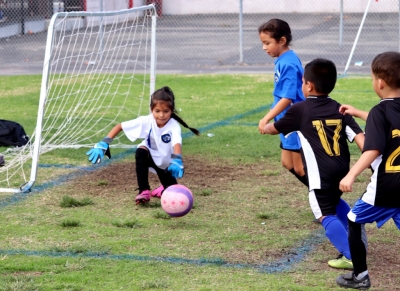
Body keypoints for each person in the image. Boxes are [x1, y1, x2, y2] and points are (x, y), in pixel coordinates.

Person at [263, 58, 365, 269]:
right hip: (341, 169)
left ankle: (350, 256)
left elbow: (275, 129)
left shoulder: (300, 110)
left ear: (308, 85)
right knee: (334, 201)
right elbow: (360, 139)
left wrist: (264, 125)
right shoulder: (339, 108)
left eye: (302, 82)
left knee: (323, 213)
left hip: (321, 173)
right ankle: (357, 238)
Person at [335, 51, 400, 290]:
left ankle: (360, 276)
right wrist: (358, 112)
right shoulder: (380, 113)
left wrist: (351, 174)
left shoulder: (379, 111)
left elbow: (372, 149)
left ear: (380, 83)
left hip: (385, 187)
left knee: (353, 219)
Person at [86, 86, 200, 204]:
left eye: (166, 111)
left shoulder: (173, 126)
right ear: (151, 109)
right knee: (141, 151)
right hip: (149, 156)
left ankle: (163, 188)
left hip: (165, 163)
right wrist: (104, 143)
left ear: (171, 111)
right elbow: (120, 126)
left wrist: (177, 159)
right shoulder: (146, 120)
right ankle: (143, 190)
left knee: (175, 193)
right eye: (157, 111)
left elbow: (177, 142)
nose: (161, 115)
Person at [258, 19, 307, 187]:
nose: (264, 47)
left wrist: (266, 118)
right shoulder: (283, 60)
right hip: (285, 121)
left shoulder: (288, 63)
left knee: (301, 169)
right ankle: (324, 197)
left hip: (294, 121)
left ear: (282, 40)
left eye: (267, 43)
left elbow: (288, 97)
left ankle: (328, 200)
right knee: (287, 163)